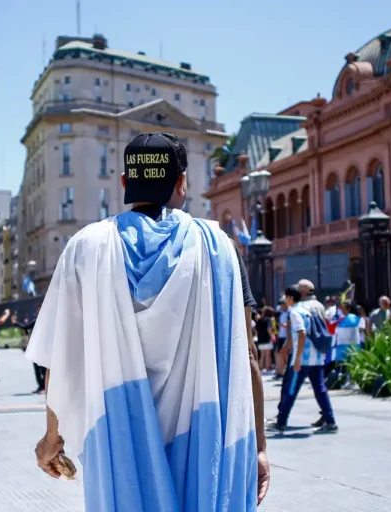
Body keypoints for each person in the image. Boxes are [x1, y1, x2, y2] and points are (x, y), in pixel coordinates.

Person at [27, 132, 269, 509]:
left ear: (124, 182)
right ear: (182, 183)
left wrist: (52, 436)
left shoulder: (86, 247)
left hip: (118, 437)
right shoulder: (219, 247)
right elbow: (249, 356)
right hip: (202, 438)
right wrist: (258, 448)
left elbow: (63, 353)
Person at [270, 281, 338, 434]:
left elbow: (301, 333)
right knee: (320, 388)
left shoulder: (296, 311)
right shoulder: (316, 307)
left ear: (290, 297)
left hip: (303, 357)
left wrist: (297, 357)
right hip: (317, 355)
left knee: (291, 389)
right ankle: (330, 420)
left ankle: (281, 422)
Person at [14, 304, 44, 393]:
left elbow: (25, 327)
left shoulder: (44, 321)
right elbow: (25, 327)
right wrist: (16, 323)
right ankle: (42, 386)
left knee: (42, 369)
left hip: (42, 348)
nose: (38, 312)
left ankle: (43, 387)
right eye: (38, 310)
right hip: (36, 348)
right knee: (38, 369)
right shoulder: (37, 321)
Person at [332, 301, 360, 390]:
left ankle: (352, 381)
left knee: (350, 364)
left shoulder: (353, 318)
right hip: (344, 344)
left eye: (343, 308)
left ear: (348, 309)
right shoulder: (341, 319)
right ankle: (348, 381)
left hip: (350, 344)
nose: (341, 310)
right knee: (345, 365)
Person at [256, 306, 275, 372]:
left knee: (262, 354)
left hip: (260, 339)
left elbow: (256, 330)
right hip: (267, 338)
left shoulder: (259, 320)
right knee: (268, 354)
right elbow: (269, 329)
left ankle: (261, 368)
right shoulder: (269, 320)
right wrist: (272, 336)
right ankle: (267, 367)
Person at [275, 297, 290, 378]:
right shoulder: (280, 313)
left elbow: (290, 325)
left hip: (286, 337)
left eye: (282, 304)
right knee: (280, 354)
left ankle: (286, 371)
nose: (280, 306)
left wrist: (284, 325)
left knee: (285, 355)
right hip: (281, 336)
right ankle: (280, 371)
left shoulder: (289, 312)